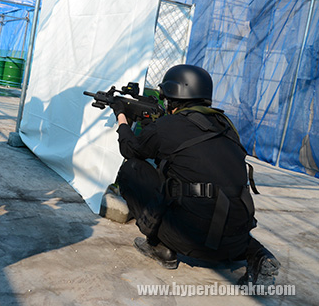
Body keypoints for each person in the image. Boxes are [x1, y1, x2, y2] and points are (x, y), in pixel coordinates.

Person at [113, 64, 280, 286]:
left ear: (173, 96)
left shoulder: (167, 126)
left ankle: (160, 247)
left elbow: (130, 149)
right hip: (235, 240)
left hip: (189, 240)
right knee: (207, 192)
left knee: (132, 169)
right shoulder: (225, 125)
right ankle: (258, 254)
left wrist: (121, 116)